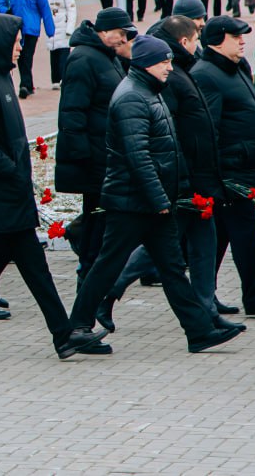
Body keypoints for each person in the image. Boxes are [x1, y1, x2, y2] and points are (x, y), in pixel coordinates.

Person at [0, 15, 108, 362]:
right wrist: (12, 171)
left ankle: (64, 336)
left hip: (5, 196)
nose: (20, 46)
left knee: (36, 268)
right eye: (15, 40)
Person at [66, 35, 242, 354]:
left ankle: (199, 331)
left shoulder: (149, 91)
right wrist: (160, 199)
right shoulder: (132, 97)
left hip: (150, 202)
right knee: (108, 265)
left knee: (173, 268)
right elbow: (138, 156)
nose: (169, 68)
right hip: (132, 203)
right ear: (147, 63)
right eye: (164, 62)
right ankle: (77, 329)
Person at [190, 16, 255, 314]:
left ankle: (204, 296)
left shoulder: (234, 68)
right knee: (244, 234)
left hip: (244, 166)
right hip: (232, 171)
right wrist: (222, 167)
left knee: (221, 235)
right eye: (236, 37)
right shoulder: (206, 74)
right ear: (219, 40)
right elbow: (208, 128)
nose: (243, 41)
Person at [55, 7, 134, 285]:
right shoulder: (83, 59)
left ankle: (92, 275)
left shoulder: (106, 57)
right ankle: (86, 278)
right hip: (93, 159)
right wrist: (83, 156)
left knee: (99, 219)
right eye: (120, 33)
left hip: (106, 154)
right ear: (103, 31)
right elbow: (72, 112)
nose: (123, 39)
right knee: (95, 220)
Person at [2, 0, 55, 99]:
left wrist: (50, 30)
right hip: (15, 28)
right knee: (20, 58)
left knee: (27, 56)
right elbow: (0, 4)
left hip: (31, 29)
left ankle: (25, 85)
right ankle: (27, 85)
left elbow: (45, 10)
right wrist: (5, 11)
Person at [38, 0, 77, 90]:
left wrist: (70, 29)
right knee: (53, 54)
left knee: (63, 55)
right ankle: (55, 79)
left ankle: (63, 78)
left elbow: (72, 10)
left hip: (63, 27)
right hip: (52, 29)